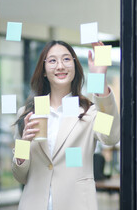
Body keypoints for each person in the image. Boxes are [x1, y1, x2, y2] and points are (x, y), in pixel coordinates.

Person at [12, 40, 120, 210]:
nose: (60, 66)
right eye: (53, 61)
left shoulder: (88, 112)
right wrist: (23, 145)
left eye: (66, 59)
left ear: (75, 67)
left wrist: (100, 79)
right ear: (44, 71)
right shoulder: (27, 114)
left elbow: (111, 137)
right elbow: (20, 176)